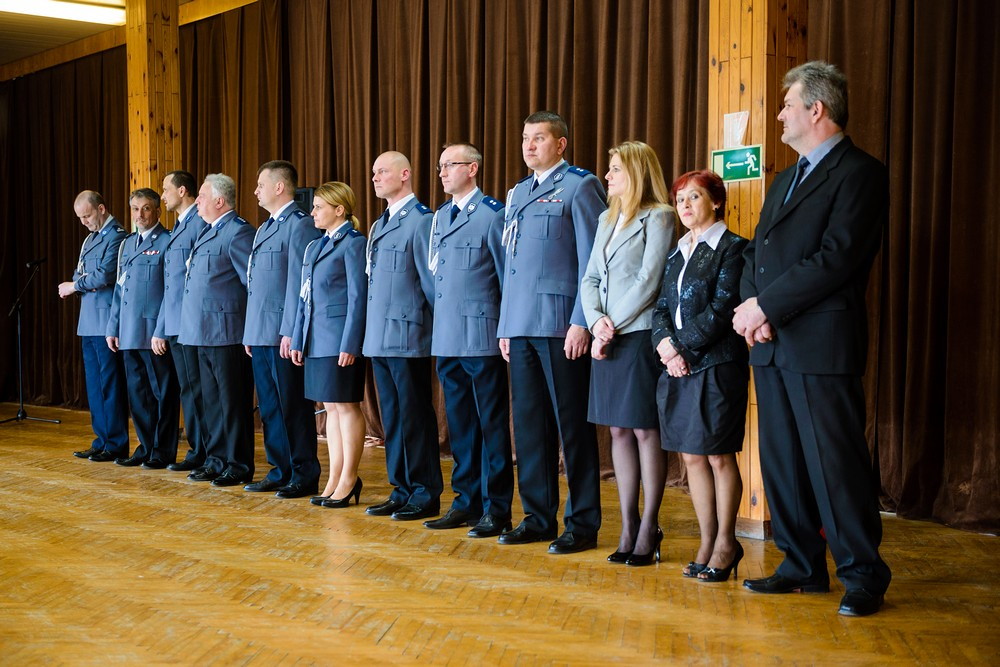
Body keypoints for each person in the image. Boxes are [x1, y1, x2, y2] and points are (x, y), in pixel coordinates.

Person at [733, 61, 891, 616]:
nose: (778, 113)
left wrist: (766, 306)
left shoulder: (860, 174)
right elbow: (758, 251)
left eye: (786, 104)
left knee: (834, 463)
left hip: (821, 344)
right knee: (783, 461)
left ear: (816, 109)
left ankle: (863, 574)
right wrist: (753, 309)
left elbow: (837, 258)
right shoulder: (784, 178)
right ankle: (801, 564)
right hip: (771, 341)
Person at [497, 111, 607, 554]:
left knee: (572, 428)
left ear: (560, 144)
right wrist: (506, 325)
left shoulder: (581, 186)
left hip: (561, 325)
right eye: (525, 138)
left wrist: (582, 319)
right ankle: (537, 516)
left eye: (538, 138)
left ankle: (581, 524)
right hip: (521, 325)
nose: (528, 146)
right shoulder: (519, 192)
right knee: (529, 427)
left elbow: (593, 260)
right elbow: (512, 265)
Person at [580, 141, 675, 566]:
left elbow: (648, 280)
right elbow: (590, 277)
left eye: (616, 168)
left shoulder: (661, 216)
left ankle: (649, 526)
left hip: (635, 337)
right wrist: (595, 321)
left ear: (636, 172)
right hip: (607, 333)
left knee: (643, 431)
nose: (608, 176)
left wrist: (609, 325)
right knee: (617, 431)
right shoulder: (606, 216)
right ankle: (627, 523)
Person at [651, 170, 749, 580]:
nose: (686, 206)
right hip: (678, 364)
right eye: (680, 200)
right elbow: (660, 308)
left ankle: (727, 541)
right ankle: (707, 540)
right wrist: (665, 346)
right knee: (690, 456)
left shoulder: (733, 248)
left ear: (716, 201)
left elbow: (724, 308)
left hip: (717, 363)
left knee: (716, 454)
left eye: (694, 197)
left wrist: (682, 348)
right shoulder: (677, 251)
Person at [424, 143, 514, 538]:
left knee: (491, 426)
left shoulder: (493, 215)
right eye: (440, 166)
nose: (442, 172)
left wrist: (505, 327)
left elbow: (507, 277)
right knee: (460, 425)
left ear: (472, 168)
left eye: (450, 165)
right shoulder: (442, 216)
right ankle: (465, 501)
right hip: (447, 337)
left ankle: (497, 509)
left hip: (481, 336)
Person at [362, 151, 441, 521]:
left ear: (405, 174)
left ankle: (424, 491)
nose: (375, 177)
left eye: (383, 171)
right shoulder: (379, 225)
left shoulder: (422, 221)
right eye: (374, 172)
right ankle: (402, 487)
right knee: (392, 417)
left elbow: (430, 285)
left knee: (413, 417)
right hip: (379, 335)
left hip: (409, 335)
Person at [243, 160, 322, 498]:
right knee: (271, 406)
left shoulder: (299, 225)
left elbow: (298, 284)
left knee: (292, 404)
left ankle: (304, 472)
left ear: (279, 187)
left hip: (281, 332)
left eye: (261, 184)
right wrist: (250, 332)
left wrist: (290, 330)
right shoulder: (265, 227)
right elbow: (255, 285)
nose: (256, 191)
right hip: (260, 332)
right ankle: (280, 469)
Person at [289, 182, 368, 509]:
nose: (313, 212)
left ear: (339, 209)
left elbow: (357, 298)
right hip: (317, 339)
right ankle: (335, 477)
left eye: (319, 206)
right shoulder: (314, 246)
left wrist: (351, 342)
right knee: (331, 409)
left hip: (339, 340)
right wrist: (298, 337)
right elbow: (303, 297)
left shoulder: (353, 243)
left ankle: (349, 477)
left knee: (346, 405)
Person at [178, 174, 256, 488]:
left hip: (227, 333)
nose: (196, 201)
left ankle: (238, 464)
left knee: (232, 402)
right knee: (210, 402)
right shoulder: (209, 232)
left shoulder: (237, 233)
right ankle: (216, 459)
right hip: (200, 332)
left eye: (201, 196)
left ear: (219, 201)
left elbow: (252, 284)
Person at [105, 188, 180, 468]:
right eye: (136, 209)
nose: (140, 215)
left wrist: (161, 330)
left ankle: (162, 451)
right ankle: (145, 446)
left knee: (162, 393)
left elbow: (171, 292)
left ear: (157, 211)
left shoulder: (168, 241)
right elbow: (119, 290)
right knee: (138, 395)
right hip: (128, 332)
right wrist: (113, 327)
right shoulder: (127, 244)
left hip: (153, 334)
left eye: (146, 208)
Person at [59, 191, 129, 462]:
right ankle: (101, 440)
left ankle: (115, 443)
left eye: (87, 215)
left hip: (105, 321)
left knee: (110, 384)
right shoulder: (90, 239)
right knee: (94, 385)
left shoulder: (117, 236)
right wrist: (81, 281)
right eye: (80, 218)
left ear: (101, 209)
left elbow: (105, 275)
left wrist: (76, 285)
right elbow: (82, 272)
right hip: (87, 321)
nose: (84, 222)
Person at [153, 170, 210, 472]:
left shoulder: (198, 223)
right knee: (188, 389)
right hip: (175, 323)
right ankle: (197, 451)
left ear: (183, 190)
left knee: (196, 390)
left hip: (191, 323)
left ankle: (202, 452)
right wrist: (161, 327)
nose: (162, 196)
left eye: (165, 190)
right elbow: (170, 285)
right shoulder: (180, 226)